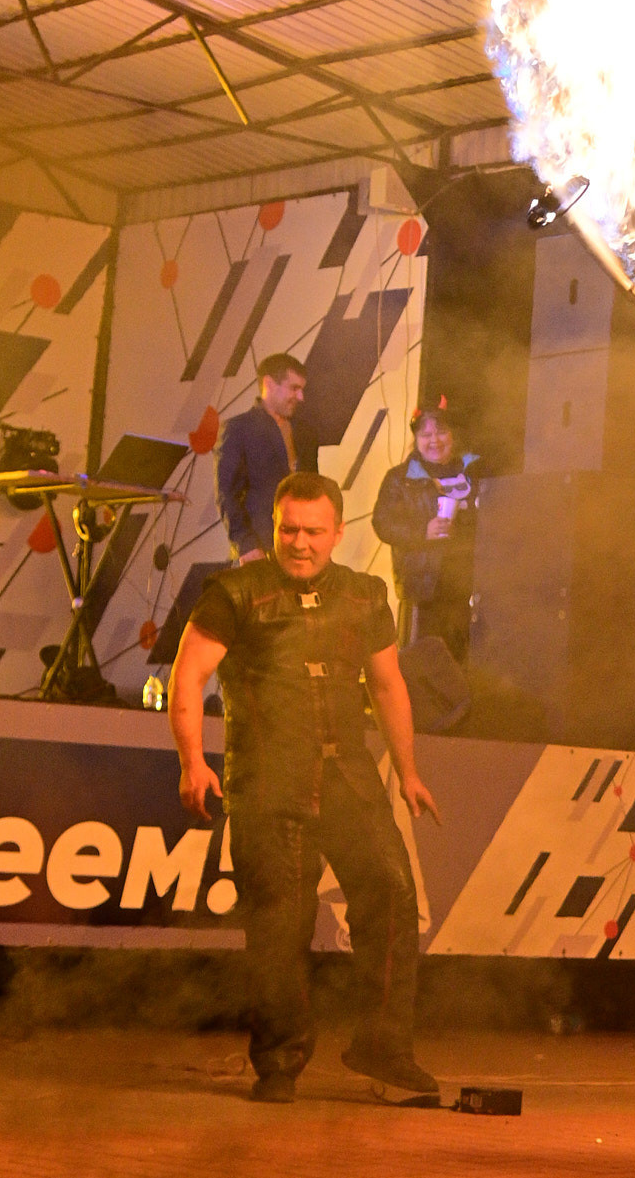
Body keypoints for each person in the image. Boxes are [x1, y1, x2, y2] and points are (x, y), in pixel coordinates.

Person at [170, 472, 439, 1104]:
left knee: (393, 893)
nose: (299, 543)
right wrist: (192, 761)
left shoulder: (364, 595)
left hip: (347, 775)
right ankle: (279, 1062)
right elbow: (188, 677)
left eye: (313, 532)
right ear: (274, 526)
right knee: (280, 926)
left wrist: (408, 771)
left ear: (338, 532)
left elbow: (388, 686)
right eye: (288, 529)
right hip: (269, 781)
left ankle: (383, 1049)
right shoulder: (234, 593)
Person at [373, 405, 484, 665]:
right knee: (421, 661)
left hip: (467, 585)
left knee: (463, 660)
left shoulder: (472, 472)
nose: (434, 440)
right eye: (425, 434)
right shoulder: (401, 478)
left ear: (452, 435)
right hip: (422, 588)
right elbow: (383, 523)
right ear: (416, 439)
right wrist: (423, 531)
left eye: (441, 432)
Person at [215, 352, 317, 563]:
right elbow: (227, 494)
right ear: (269, 384)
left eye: (302, 389)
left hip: (303, 549)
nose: (301, 397)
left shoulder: (304, 431)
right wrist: (246, 545)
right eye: (294, 388)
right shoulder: (238, 429)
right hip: (261, 551)